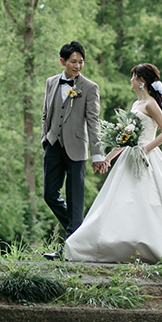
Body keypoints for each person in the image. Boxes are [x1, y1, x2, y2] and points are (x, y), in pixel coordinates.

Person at [63, 62, 162, 264]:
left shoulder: (150, 104)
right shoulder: (135, 105)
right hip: (130, 157)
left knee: (151, 201)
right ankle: (121, 245)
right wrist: (109, 158)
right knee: (122, 202)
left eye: (133, 77)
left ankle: (155, 245)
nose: (130, 81)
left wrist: (146, 149)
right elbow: (126, 138)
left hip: (147, 157)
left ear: (141, 81)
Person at [40, 41, 105, 260]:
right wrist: (45, 139)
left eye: (81, 62)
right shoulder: (51, 83)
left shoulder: (89, 87)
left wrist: (98, 155)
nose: (78, 66)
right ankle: (79, 232)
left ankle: (69, 250)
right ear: (63, 62)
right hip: (53, 145)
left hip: (77, 149)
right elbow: (45, 113)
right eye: (73, 62)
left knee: (76, 200)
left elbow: (93, 122)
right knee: (49, 194)